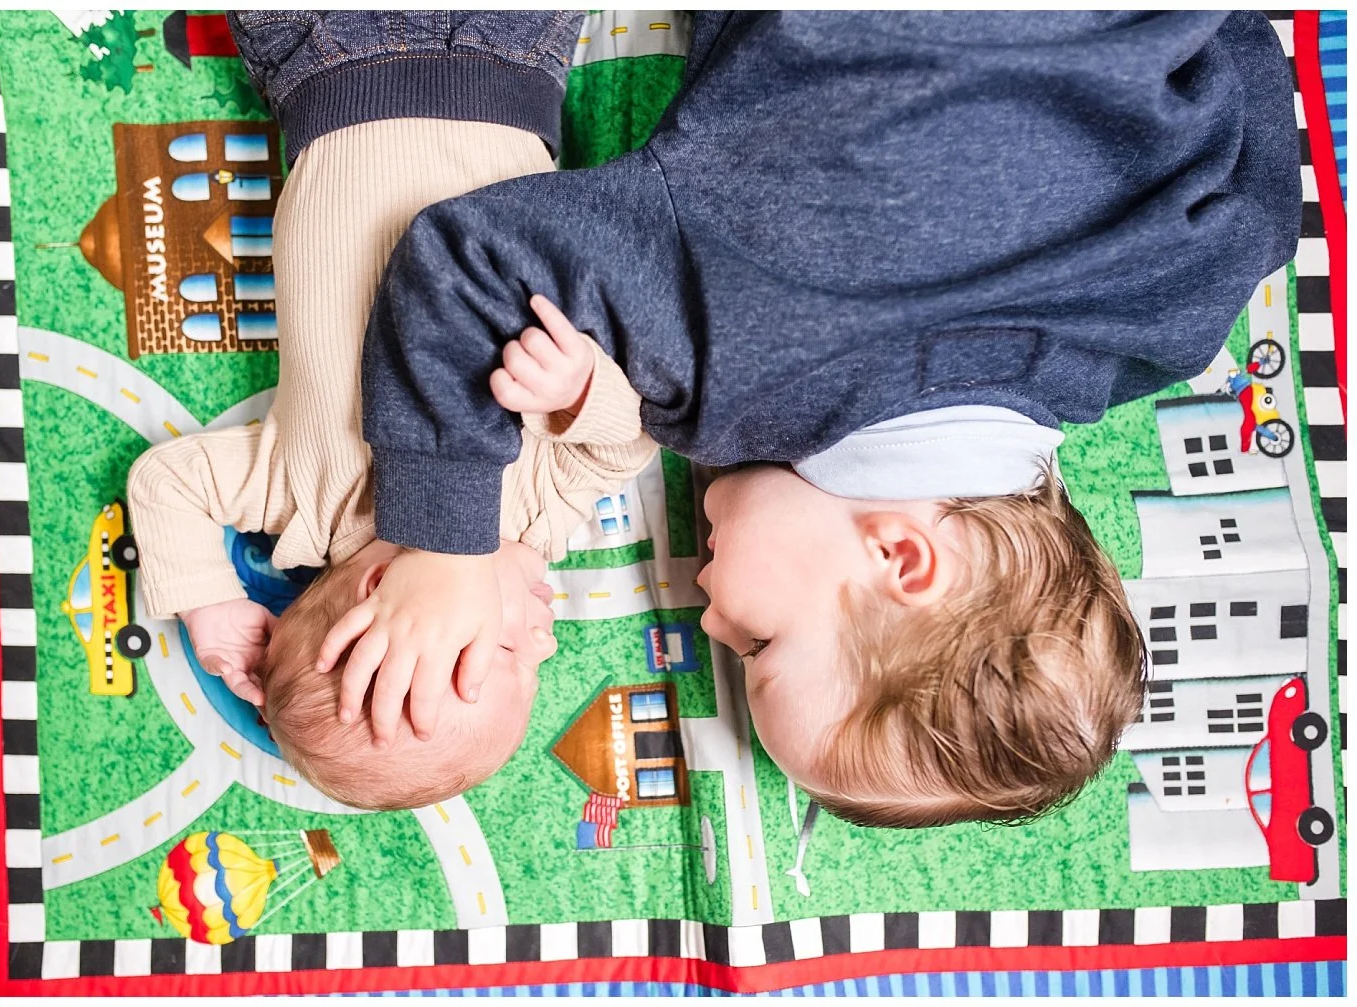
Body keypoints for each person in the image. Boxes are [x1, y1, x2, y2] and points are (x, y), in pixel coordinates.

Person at [333, 11, 1301, 825]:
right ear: (902, 559)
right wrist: (443, 548)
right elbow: (460, 267)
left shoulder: (1175, 314)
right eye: (759, 644)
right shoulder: (726, 345)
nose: (709, 612)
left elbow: (1255, 78)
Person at [127, 10, 658, 809]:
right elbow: (629, 444)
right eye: (537, 664)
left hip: (323, 58)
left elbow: (168, 484)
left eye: (509, 648)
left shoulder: (302, 502)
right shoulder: (540, 523)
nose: (549, 638)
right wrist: (583, 392)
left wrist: (209, 603)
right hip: (512, 63)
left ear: (381, 593)